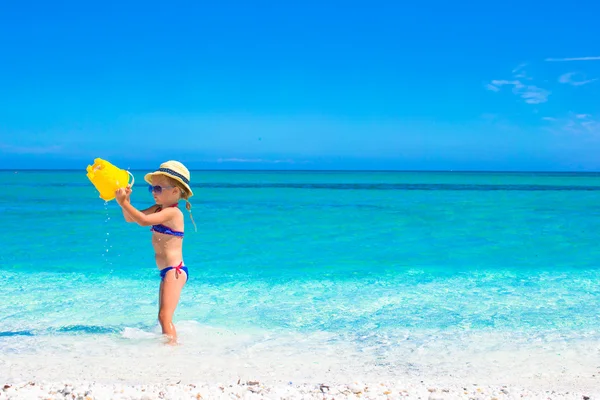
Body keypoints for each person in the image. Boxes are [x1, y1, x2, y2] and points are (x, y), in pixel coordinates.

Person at [115, 161, 196, 344]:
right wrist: (125, 202)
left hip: (174, 271)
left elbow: (143, 221)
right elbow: (131, 219)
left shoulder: (173, 214)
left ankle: (172, 352)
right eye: (152, 188)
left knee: (164, 317)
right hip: (166, 272)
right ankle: (167, 348)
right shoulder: (159, 209)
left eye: (158, 188)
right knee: (162, 316)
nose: (153, 192)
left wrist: (124, 203)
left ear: (175, 191)